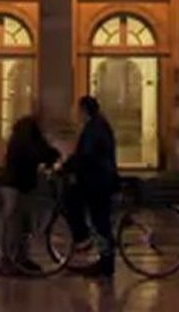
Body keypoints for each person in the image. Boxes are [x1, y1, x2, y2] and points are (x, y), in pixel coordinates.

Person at [62, 96, 118, 277]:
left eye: (77, 110)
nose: (75, 114)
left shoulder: (95, 128)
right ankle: (104, 261)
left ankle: (87, 242)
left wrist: (67, 167)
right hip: (99, 179)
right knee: (100, 221)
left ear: (84, 110)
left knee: (73, 202)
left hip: (97, 180)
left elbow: (86, 154)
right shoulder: (97, 125)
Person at [0, 115, 61, 276]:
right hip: (14, 185)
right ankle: (8, 261)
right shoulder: (24, 137)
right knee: (13, 222)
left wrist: (51, 154)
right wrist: (51, 156)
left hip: (23, 185)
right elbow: (36, 151)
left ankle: (21, 258)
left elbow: (41, 149)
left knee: (24, 224)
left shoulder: (26, 135)